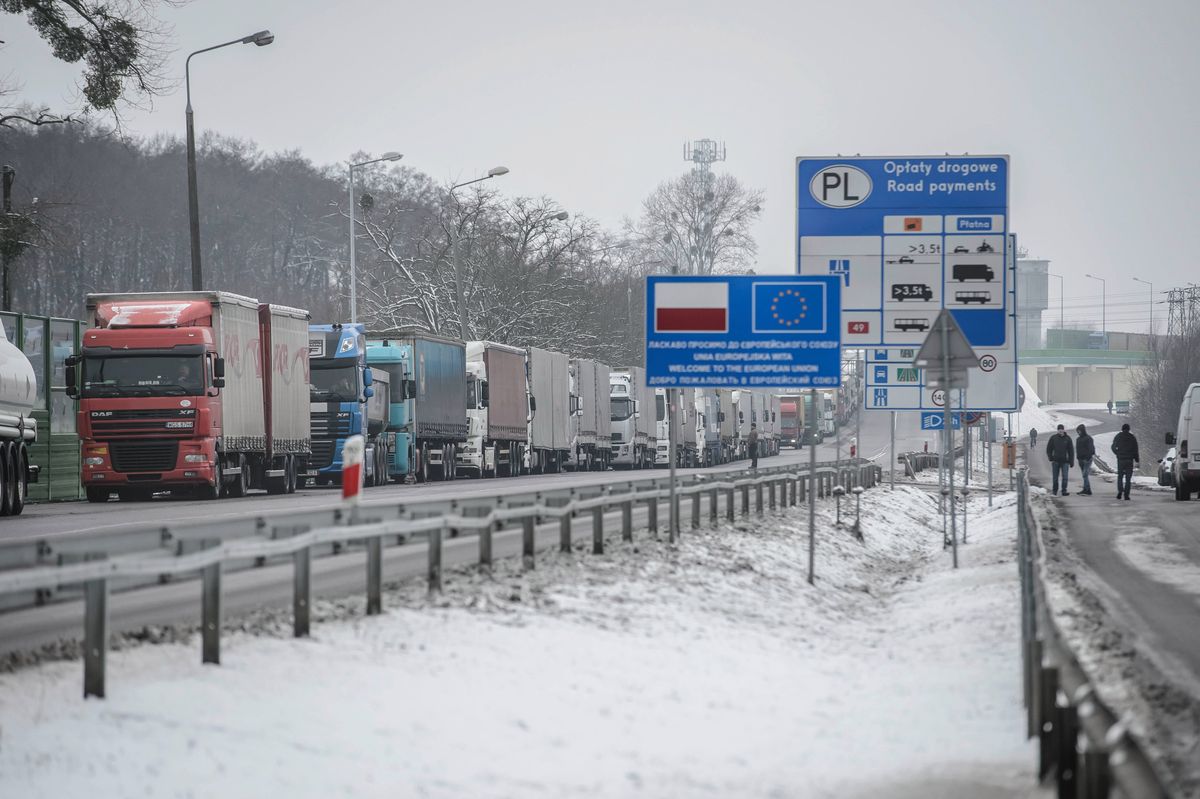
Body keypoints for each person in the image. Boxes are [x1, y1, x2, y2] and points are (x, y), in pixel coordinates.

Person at [1111, 423, 1140, 500]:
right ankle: (1126, 495)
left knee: (1120, 476)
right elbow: (1135, 449)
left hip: (1121, 459)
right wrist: (1137, 459)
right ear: (1129, 429)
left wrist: (1117, 453)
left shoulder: (1118, 436)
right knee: (1128, 478)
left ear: (1122, 429)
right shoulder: (1132, 437)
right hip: (1129, 460)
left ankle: (1120, 491)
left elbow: (1113, 446)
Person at [1045, 424, 1074, 496]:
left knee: (1065, 477)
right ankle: (1055, 491)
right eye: (1059, 430)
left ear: (1064, 430)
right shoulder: (1053, 438)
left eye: (1061, 429)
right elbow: (1049, 448)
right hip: (1056, 461)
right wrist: (1050, 457)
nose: (1060, 431)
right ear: (1057, 430)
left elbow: (1071, 451)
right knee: (1055, 478)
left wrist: (1071, 461)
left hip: (1065, 462)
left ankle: (1064, 490)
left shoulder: (1068, 438)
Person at [1075, 424, 1095, 495]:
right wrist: (1078, 457)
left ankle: (1087, 490)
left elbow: (1091, 449)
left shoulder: (1088, 438)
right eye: (1077, 431)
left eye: (1079, 431)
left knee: (1085, 474)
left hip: (1087, 459)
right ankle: (1087, 489)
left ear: (1082, 431)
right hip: (1080, 459)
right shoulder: (1078, 439)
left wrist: (1087, 457)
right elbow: (1077, 449)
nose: (1078, 432)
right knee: (1084, 475)